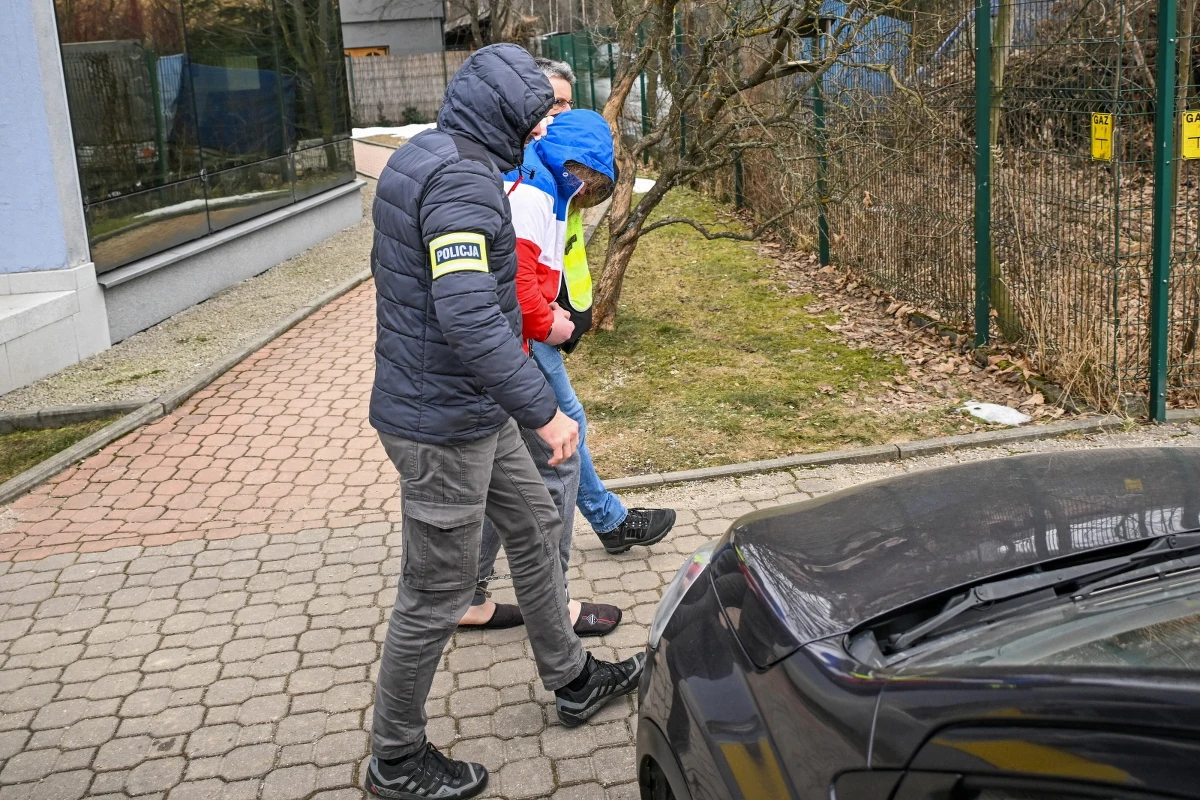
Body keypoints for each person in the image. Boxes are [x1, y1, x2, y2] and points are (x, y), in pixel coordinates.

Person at [365, 44, 643, 800]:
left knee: (532, 526)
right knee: (435, 591)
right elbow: (467, 318)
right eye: (536, 120)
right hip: (443, 428)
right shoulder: (461, 181)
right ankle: (395, 757)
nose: (539, 136)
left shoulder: (424, 153)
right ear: (504, 117)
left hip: (467, 407)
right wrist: (545, 409)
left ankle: (573, 679)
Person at [459, 109, 626, 637]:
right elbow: (516, 283)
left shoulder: (525, 174)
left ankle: (470, 594)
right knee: (559, 463)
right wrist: (549, 323)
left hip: (498, 353)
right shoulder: (533, 194)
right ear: (579, 173)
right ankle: (556, 608)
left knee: (499, 476)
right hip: (516, 351)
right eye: (587, 189)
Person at [525, 59, 680, 555]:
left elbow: (560, 248)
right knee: (564, 424)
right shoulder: (530, 171)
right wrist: (545, 317)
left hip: (552, 309)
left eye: (566, 102)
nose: (559, 112)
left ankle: (592, 525)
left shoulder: (561, 165)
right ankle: (606, 523)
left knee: (539, 437)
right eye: (550, 101)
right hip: (528, 322)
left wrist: (576, 307)